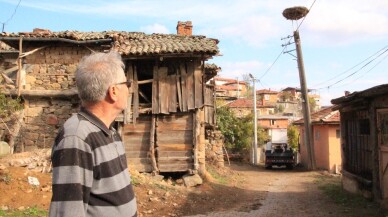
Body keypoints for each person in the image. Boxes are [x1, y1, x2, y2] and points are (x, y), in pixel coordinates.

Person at [49, 51, 137, 217]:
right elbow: (68, 212)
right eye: (127, 83)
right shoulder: (77, 138)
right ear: (113, 91)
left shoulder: (109, 132)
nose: (129, 89)